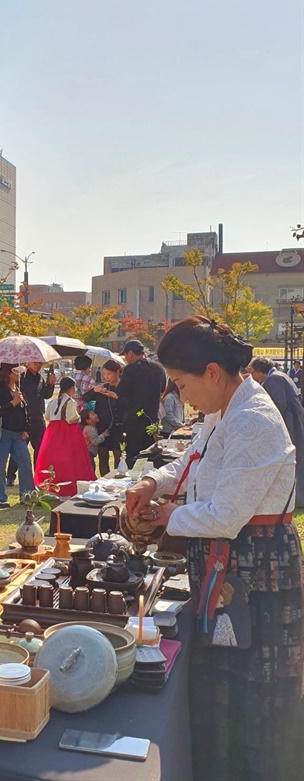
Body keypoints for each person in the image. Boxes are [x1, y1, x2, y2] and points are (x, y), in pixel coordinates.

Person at [126, 317, 302, 781]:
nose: (182, 396)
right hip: (231, 560)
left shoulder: (254, 420)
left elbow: (224, 514)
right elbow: (191, 461)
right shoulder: (223, 412)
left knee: (255, 686)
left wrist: (165, 516)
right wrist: (152, 481)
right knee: (223, 678)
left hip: (255, 566)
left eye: (182, 384)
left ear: (211, 372)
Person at [249, 357, 304, 507]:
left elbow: (277, 405)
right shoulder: (280, 376)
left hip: (289, 423)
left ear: (260, 370)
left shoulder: (274, 379)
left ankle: (297, 498)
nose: (252, 377)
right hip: (294, 420)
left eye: (252, 372)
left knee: (292, 460)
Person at [106, 339, 166, 466]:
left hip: (133, 420)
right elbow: (162, 390)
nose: (126, 358)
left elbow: (121, 392)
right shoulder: (159, 368)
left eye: (126, 355)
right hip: (152, 419)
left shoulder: (130, 370)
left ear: (130, 353)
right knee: (151, 456)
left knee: (134, 457)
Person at [35, 377, 94, 496]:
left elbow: (47, 417)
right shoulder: (70, 402)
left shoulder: (53, 401)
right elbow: (71, 418)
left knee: (54, 459)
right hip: (67, 432)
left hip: (52, 432)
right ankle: (69, 487)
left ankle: (51, 486)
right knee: (70, 459)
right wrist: (79, 417)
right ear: (71, 388)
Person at [0, 363, 34, 508]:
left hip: (18, 434)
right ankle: (0, 498)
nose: (19, 375)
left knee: (25, 462)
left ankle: (27, 495)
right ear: (8, 373)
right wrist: (13, 402)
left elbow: (24, 411)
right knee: (0, 465)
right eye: (16, 372)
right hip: (3, 433)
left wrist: (25, 428)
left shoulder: (18, 388)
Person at [6, 361, 56, 486]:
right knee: (19, 450)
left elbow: (46, 395)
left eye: (40, 363)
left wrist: (51, 384)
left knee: (40, 450)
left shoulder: (40, 378)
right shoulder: (21, 377)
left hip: (38, 418)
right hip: (24, 418)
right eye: (35, 363)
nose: (38, 365)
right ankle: (10, 475)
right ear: (28, 362)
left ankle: (38, 475)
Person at [82, 358, 126, 475]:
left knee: (119, 457)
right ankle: (104, 480)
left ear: (117, 372)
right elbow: (85, 398)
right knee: (103, 457)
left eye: (109, 374)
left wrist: (116, 397)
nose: (107, 377)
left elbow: (130, 404)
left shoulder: (123, 387)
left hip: (118, 427)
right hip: (103, 426)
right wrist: (94, 390)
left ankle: (118, 478)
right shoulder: (102, 388)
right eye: (104, 374)